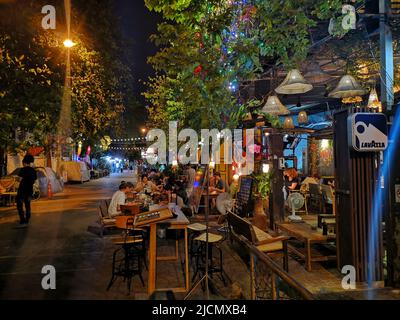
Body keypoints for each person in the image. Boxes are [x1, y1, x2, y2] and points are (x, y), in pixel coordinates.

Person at [16, 154, 37, 226]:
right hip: (29, 190)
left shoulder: (22, 170)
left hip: (22, 190)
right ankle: (27, 220)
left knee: (19, 205)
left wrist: (18, 179)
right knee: (27, 205)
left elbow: (19, 179)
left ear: (24, 162)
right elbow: (34, 180)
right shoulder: (33, 171)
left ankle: (22, 220)